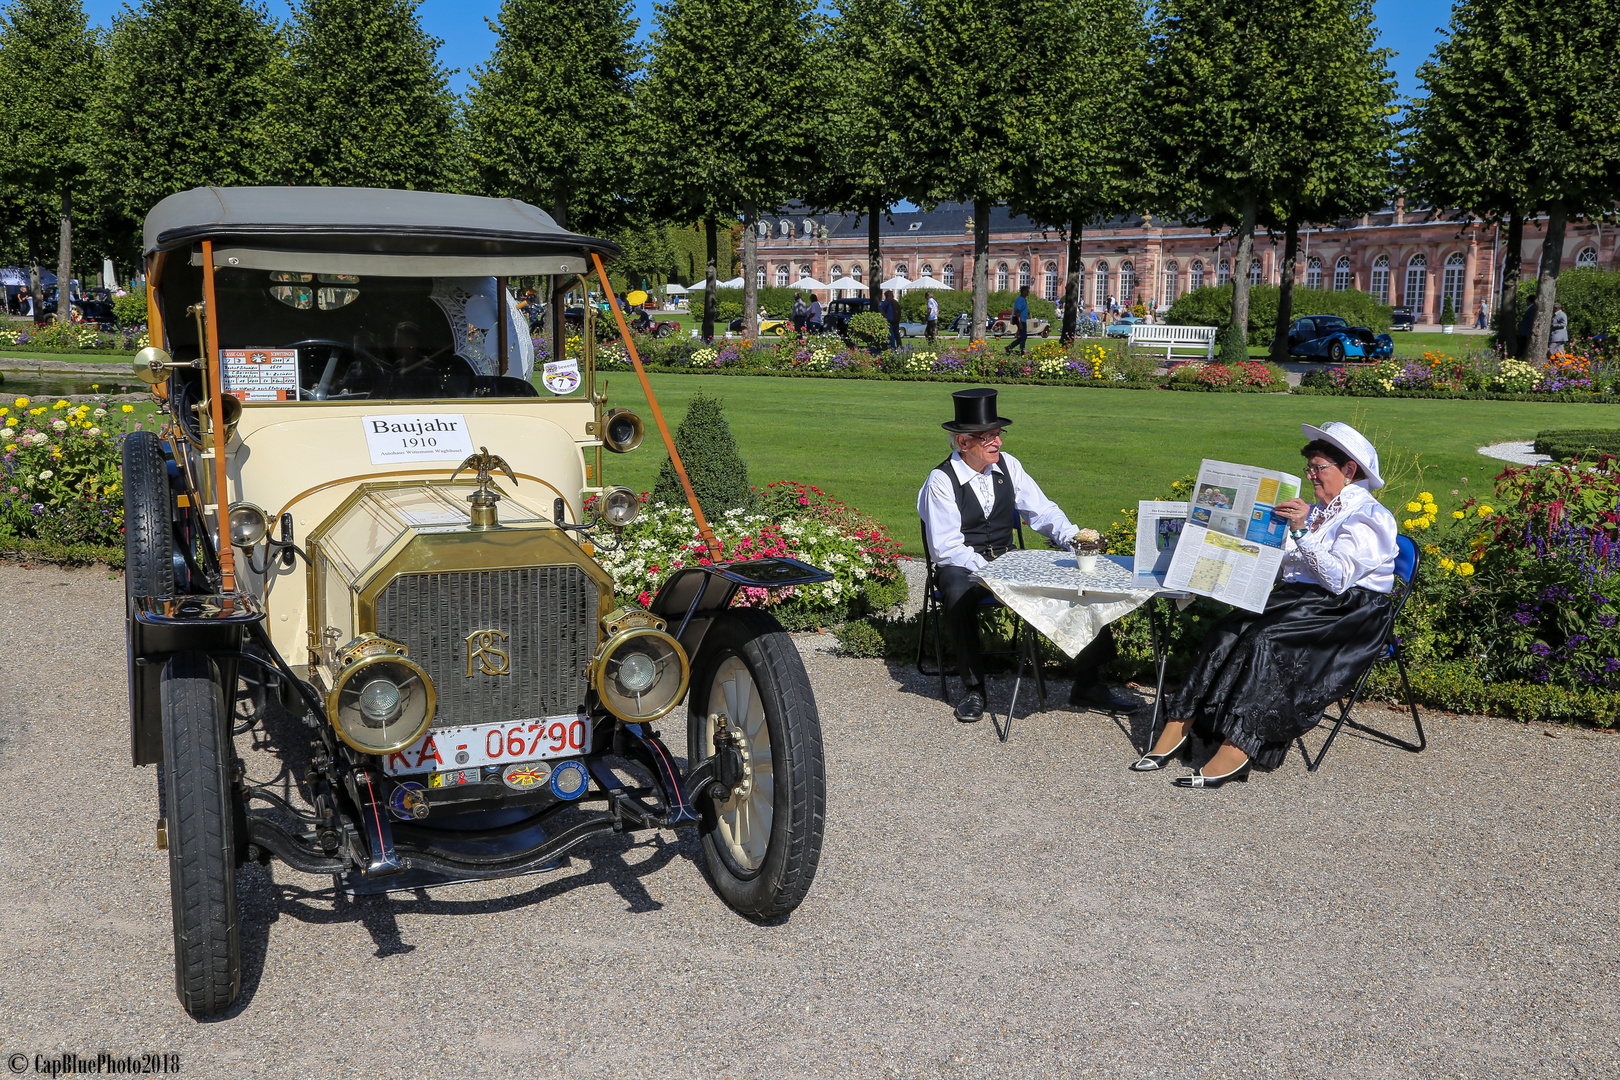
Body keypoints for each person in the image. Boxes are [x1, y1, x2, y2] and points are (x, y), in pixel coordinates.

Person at [1132, 422, 1398, 789]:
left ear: (1349, 470)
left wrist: (1302, 531)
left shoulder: (1369, 516)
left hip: (1350, 610)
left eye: (1319, 468)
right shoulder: (1323, 509)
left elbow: (1337, 578)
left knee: (1265, 641)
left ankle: (1240, 745)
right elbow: (1294, 566)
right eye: (1310, 469)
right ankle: (1180, 725)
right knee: (1225, 631)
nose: (1312, 477)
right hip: (1305, 600)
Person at [919, 388, 1138, 723]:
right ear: (964, 443)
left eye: (998, 434)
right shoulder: (941, 481)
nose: (998, 443)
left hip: (1008, 558)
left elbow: (1043, 512)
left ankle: (1089, 682)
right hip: (963, 564)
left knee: (1079, 578)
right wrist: (992, 571)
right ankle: (974, 689)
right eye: (988, 436)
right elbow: (946, 548)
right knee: (956, 590)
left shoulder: (1009, 465)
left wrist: (1074, 539)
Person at [1004, 284, 1030, 355]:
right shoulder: (1020, 300)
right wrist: (1020, 322)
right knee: (1023, 336)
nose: (1028, 292)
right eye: (1027, 291)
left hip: (1023, 320)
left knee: (1022, 337)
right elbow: (1018, 311)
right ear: (1023, 291)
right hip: (1021, 321)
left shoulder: (1023, 299)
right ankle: (1022, 350)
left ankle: (1010, 347)